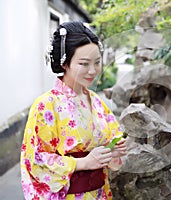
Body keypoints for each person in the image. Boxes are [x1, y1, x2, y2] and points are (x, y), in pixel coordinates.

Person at [20, 21, 127, 200]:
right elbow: (36, 160)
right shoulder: (46, 105)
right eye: (84, 64)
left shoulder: (96, 101)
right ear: (64, 63)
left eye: (97, 63)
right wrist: (84, 162)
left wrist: (113, 152)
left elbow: (110, 143)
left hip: (100, 193)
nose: (92, 71)